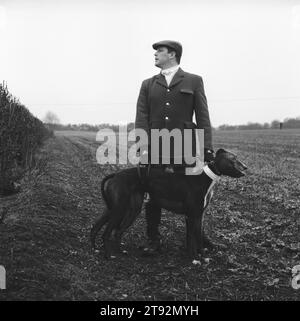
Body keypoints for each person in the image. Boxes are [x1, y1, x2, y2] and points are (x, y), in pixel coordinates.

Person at [135, 40, 214, 254]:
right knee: (153, 194)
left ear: (172, 54)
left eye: (159, 51)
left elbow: (203, 117)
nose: (155, 55)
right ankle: (153, 239)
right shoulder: (147, 84)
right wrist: (142, 145)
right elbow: (141, 118)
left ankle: (196, 239)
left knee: (194, 194)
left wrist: (206, 147)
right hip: (156, 148)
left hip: (187, 147)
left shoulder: (194, 81)